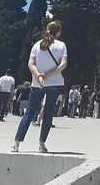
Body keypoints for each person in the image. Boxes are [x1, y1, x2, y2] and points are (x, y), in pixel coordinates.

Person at [12, 20, 67, 153]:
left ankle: (17, 144)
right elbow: (63, 64)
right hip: (54, 83)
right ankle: (42, 145)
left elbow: (31, 64)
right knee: (48, 113)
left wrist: (39, 76)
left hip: (38, 83)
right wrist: (48, 75)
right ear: (58, 32)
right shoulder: (61, 46)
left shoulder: (37, 45)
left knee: (30, 112)